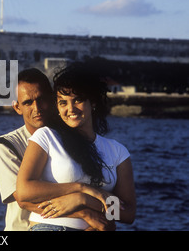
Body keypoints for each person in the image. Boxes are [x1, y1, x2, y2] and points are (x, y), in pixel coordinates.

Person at [16, 63, 136, 231]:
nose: (70, 109)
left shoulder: (117, 151)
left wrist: (83, 200)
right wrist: (81, 189)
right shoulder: (46, 137)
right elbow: (24, 191)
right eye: (63, 103)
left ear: (92, 102)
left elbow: (128, 213)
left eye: (78, 100)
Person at [0, 68, 113, 231]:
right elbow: (24, 201)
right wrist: (83, 209)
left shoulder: (77, 137)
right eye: (28, 102)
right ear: (17, 107)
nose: (37, 108)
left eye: (42, 99)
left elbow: (118, 208)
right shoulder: (6, 147)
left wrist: (101, 213)